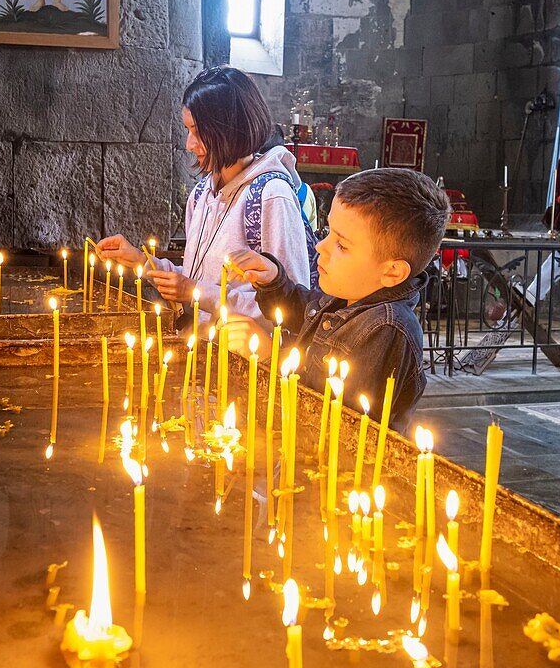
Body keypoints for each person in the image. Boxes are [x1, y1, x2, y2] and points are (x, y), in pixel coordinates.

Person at [226, 168, 451, 434]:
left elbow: (342, 424)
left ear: (391, 271)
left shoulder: (387, 329)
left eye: (342, 245)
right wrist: (273, 279)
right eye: (329, 232)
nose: (321, 246)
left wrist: (270, 359)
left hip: (338, 469)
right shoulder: (348, 295)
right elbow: (302, 308)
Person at [96, 66, 311, 329]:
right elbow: (194, 279)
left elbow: (293, 309)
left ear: (230, 130)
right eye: (188, 130)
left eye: (198, 132)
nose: (189, 144)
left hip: (241, 360)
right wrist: (142, 262)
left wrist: (197, 292)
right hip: (199, 348)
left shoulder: (271, 195)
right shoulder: (201, 195)